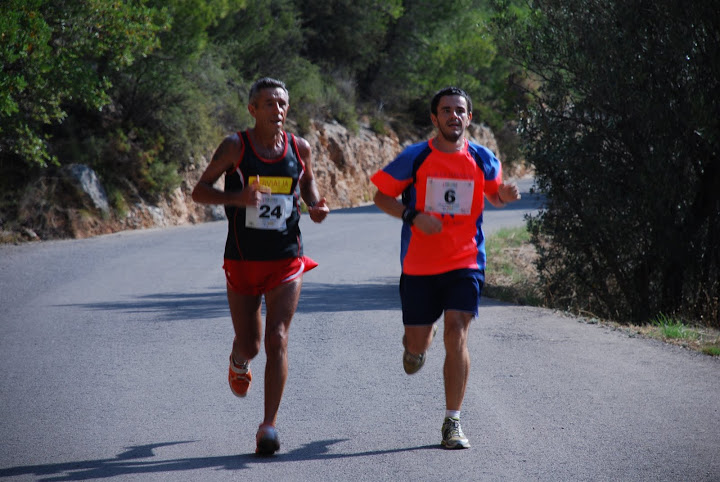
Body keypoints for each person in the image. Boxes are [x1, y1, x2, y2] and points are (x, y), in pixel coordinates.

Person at [370, 86, 520, 449]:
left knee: (457, 333)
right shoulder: (416, 157)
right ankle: (417, 345)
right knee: (417, 341)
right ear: (434, 118)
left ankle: (452, 421)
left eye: (460, 110)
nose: (454, 116)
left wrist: (506, 196)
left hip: (465, 261)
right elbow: (381, 196)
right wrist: (413, 215)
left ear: (469, 117)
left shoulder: (483, 158)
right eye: (446, 110)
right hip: (420, 265)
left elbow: (495, 196)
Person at [191, 77, 329, 455]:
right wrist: (239, 197)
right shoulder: (236, 146)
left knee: (278, 338)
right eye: (268, 103)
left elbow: (309, 185)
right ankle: (237, 361)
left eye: (282, 103)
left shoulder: (299, 147)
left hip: (286, 257)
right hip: (243, 258)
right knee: (251, 344)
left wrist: (316, 206)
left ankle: (268, 426)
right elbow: (199, 191)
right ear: (252, 109)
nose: (277, 110)